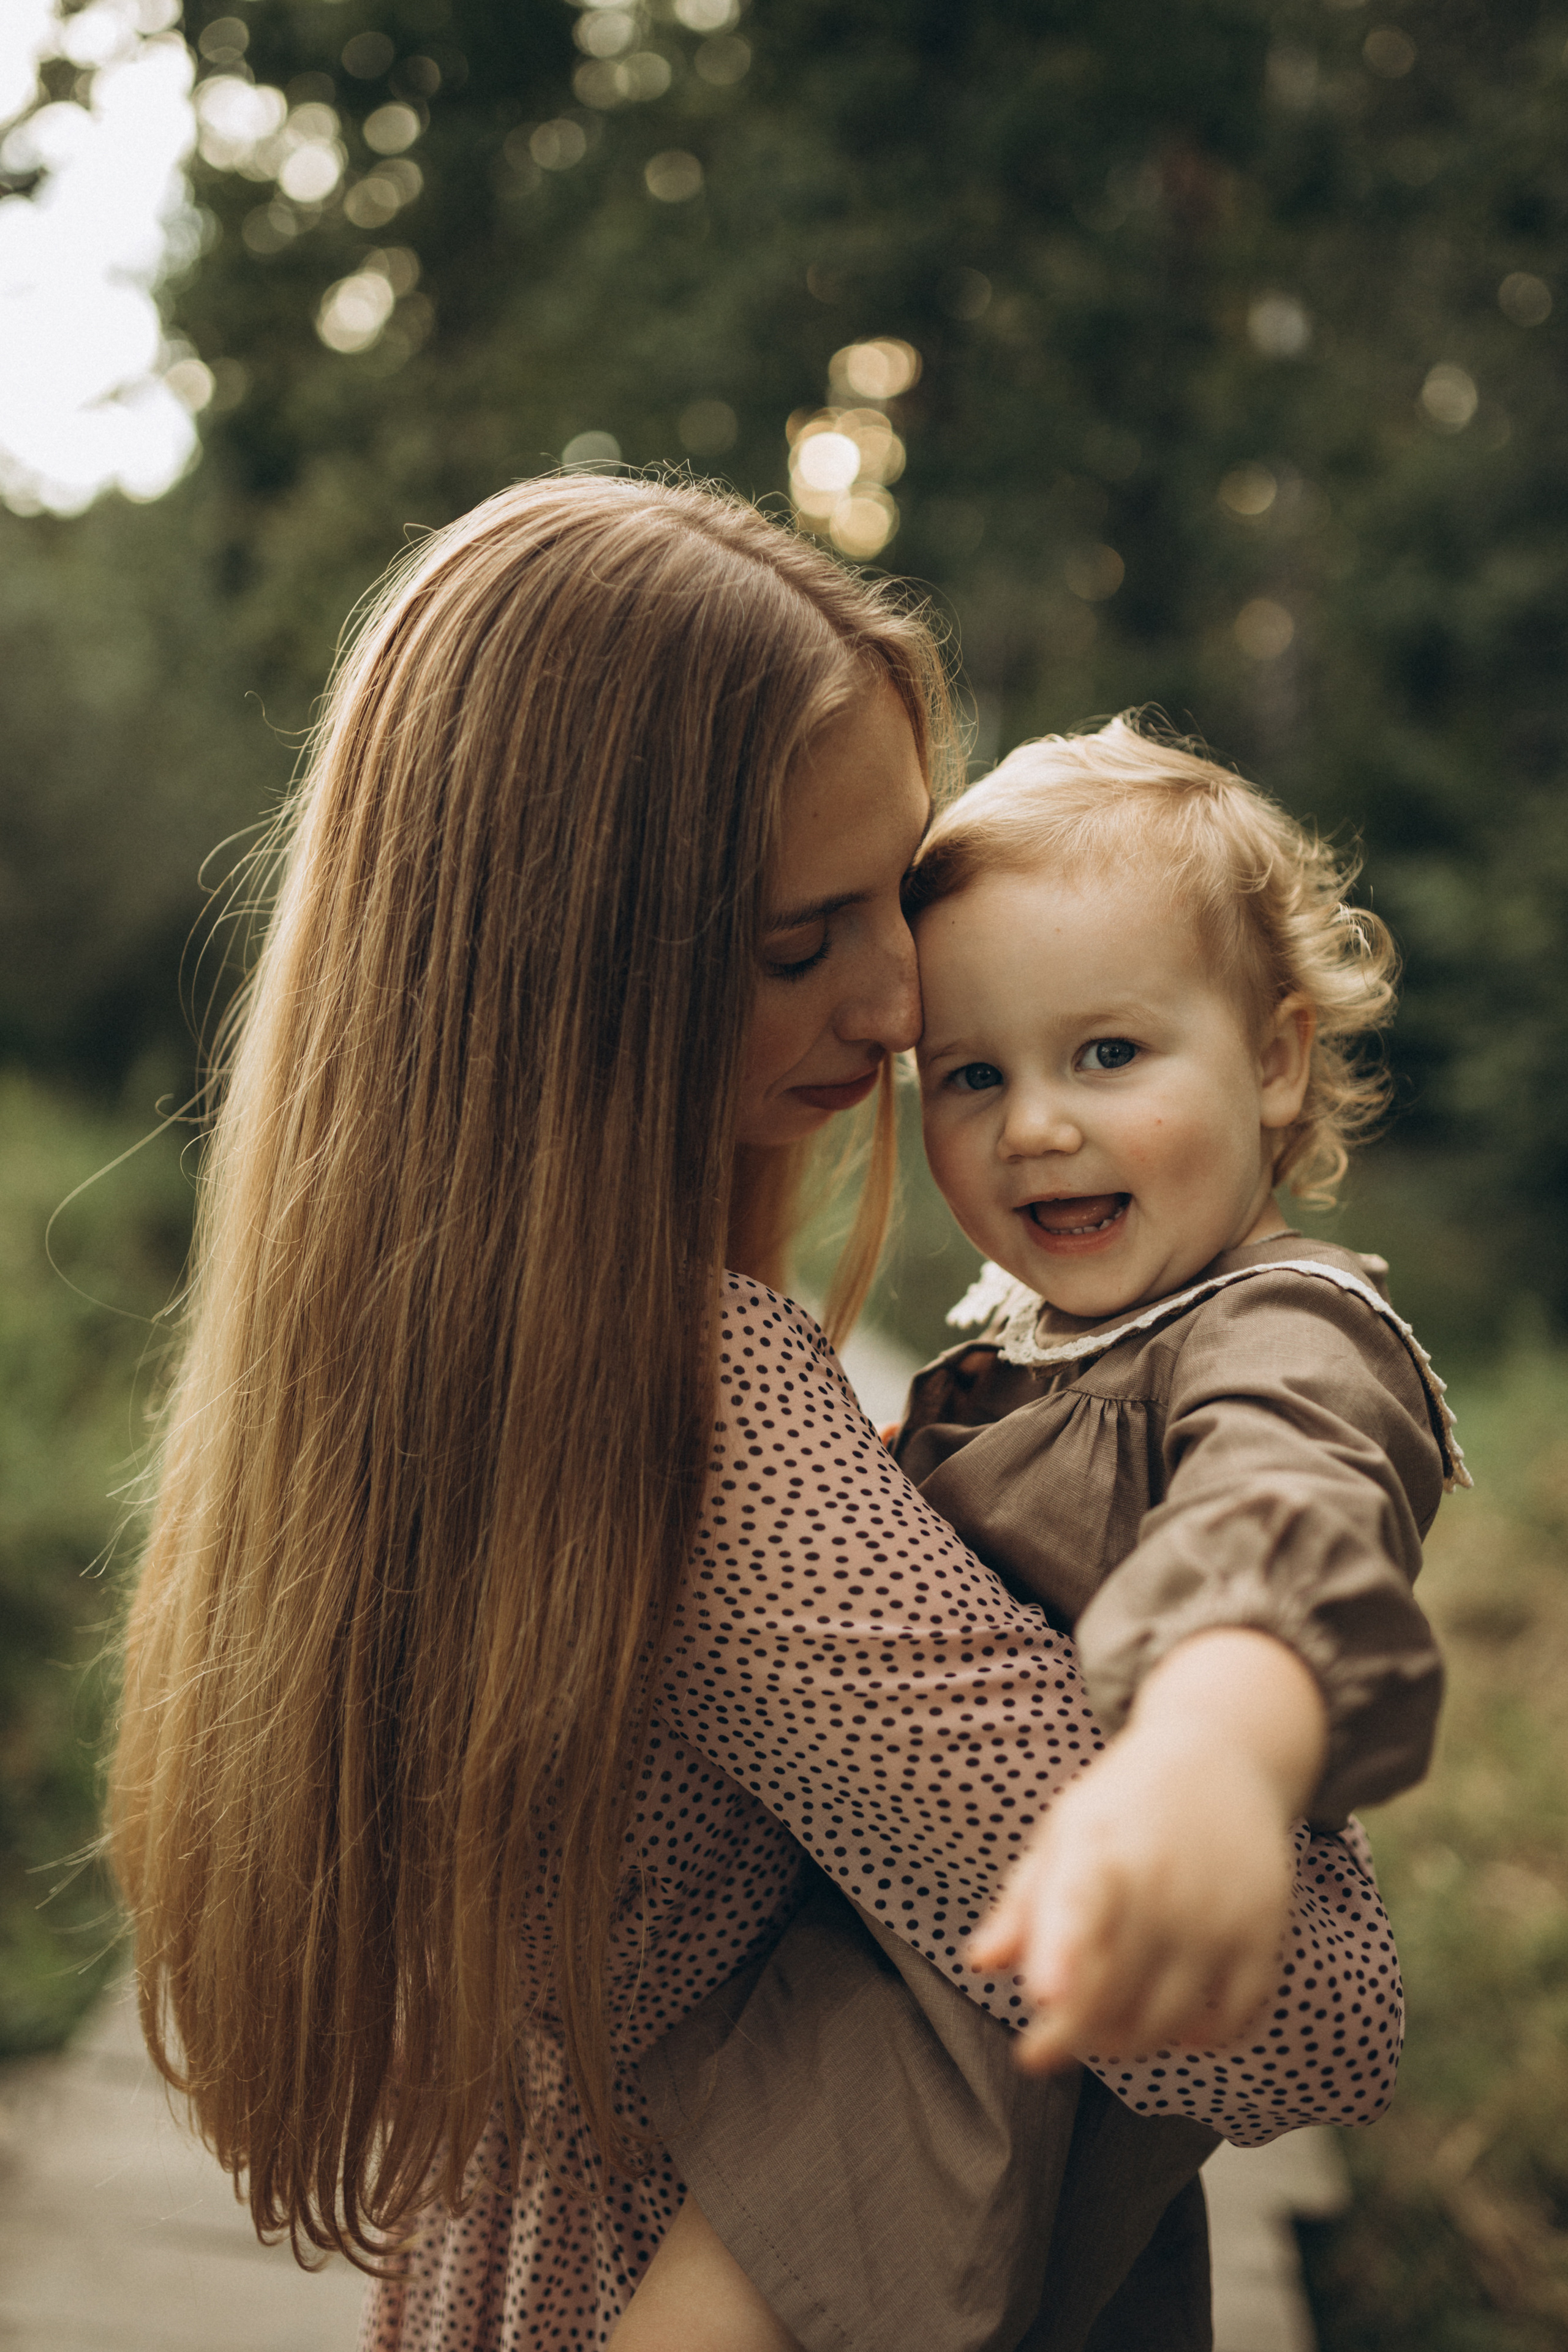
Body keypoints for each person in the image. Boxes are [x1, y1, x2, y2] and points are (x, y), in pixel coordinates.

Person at [106, 484, 1398, 2352]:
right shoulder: (693, 1427)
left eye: (898, 894)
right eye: (801, 941)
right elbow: (1310, 2007)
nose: (893, 1005)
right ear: (574, 978)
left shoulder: (381, 1374)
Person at [622, 719, 1458, 2352]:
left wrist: (1212, 1754)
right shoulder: (1048, 1339)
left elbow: (1280, 1521)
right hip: (907, 1992)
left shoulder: (1283, 1334)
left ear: (1277, 1059)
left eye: (1109, 1057)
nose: (1032, 1129)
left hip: (965, 2068)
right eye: (976, 1076)